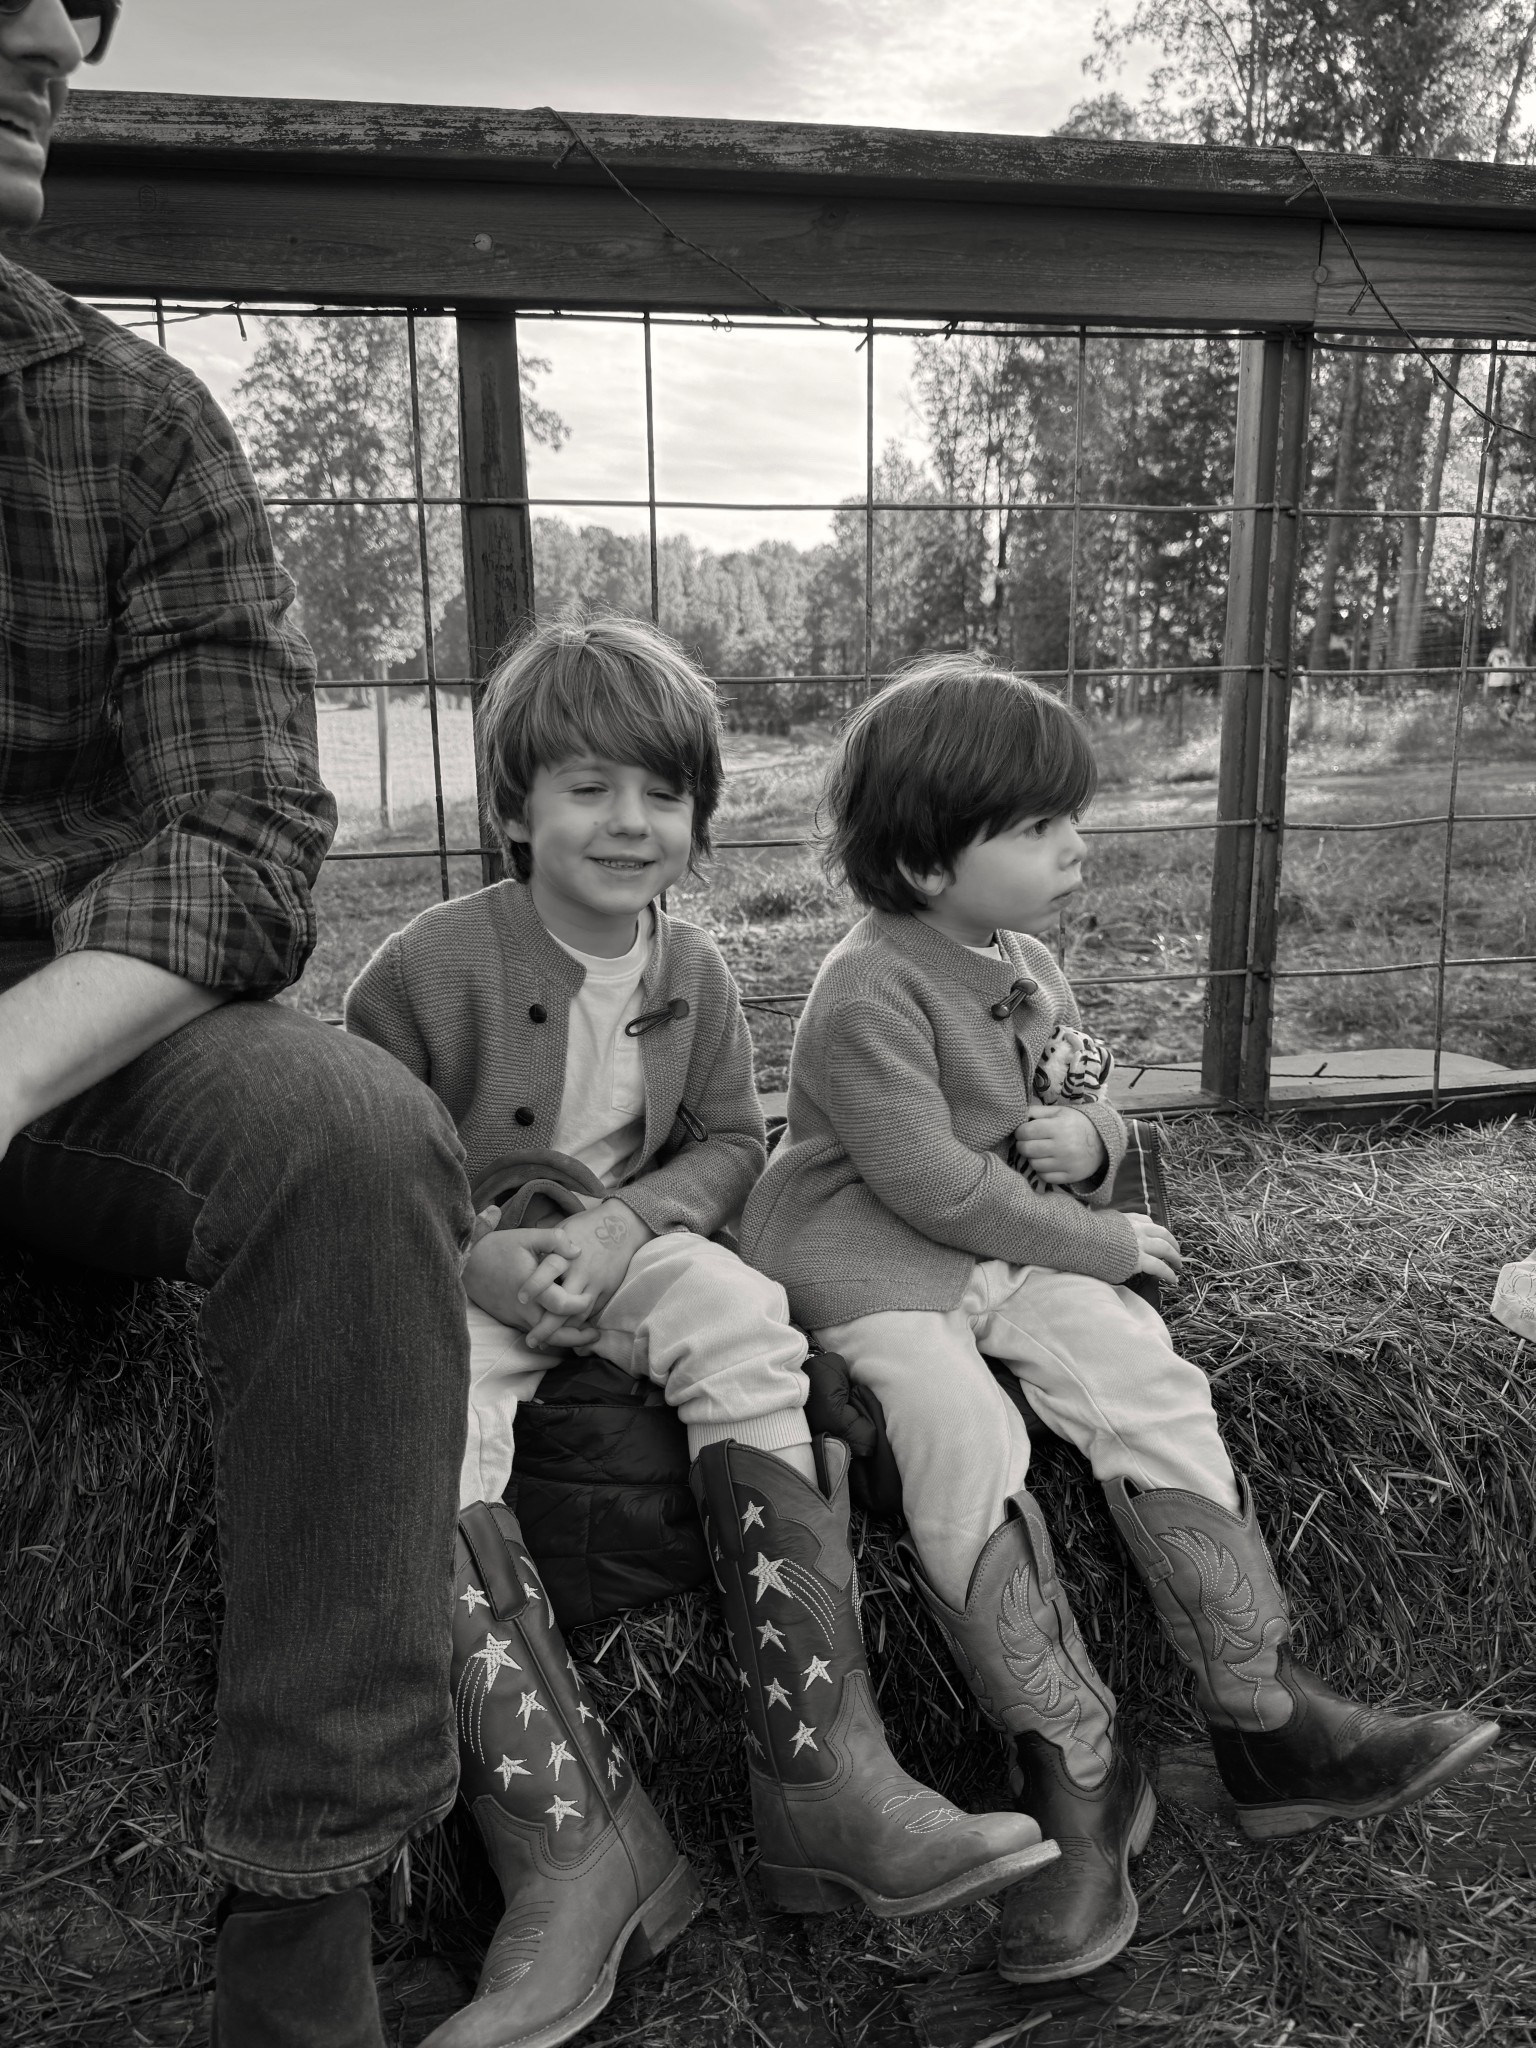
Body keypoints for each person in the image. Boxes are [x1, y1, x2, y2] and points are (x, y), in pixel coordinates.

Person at [344, 618, 1057, 2048]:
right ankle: (576, 1840)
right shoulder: (423, 974)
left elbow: (733, 1142)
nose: (628, 823)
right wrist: (475, 1260)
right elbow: (362, 1157)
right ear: (513, 809)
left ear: (700, 818)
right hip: (467, 1274)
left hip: (626, 1253)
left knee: (743, 1312)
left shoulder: (704, 976)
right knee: (420, 1427)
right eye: (588, 788)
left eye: (662, 796)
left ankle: (824, 1768)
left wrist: (631, 1225)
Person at [741, 655, 1501, 1984]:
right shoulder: (865, 990)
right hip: (879, 1254)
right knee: (957, 1428)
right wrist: (1098, 1233)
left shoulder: (1026, 957)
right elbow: (928, 1183)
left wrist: (1088, 1136)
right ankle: (1079, 1773)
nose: (1074, 847)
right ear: (928, 864)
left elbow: (1091, 1088)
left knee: (1143, 1369)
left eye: (1067, 820)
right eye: (1038, 828)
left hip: (1006, 1235)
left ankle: (1266, 1716)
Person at [0, 8, 478, 2043]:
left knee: (355, 1134)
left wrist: (11, 1063)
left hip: (81, 1018)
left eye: (77, 10)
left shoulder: (127, 416)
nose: (51, 27)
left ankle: (305, 1921)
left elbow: (252, 824)